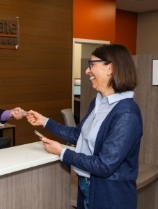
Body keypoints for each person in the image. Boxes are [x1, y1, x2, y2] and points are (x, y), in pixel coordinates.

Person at [26, 44, 143, 209]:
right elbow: (78, 135)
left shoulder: (127, 114)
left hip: (110, 196)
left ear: (110, 68)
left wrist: (63, 152)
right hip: (87, 185)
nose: (87, 71)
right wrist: (45, 121)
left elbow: (104, 165)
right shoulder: (98, 102)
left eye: (92, 64)